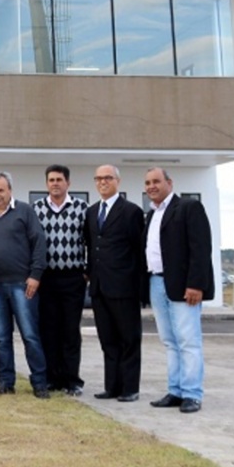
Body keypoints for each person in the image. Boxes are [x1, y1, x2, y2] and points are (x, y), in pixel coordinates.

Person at [143, 168, 214, 414]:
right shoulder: (151, 215)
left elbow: (201, 248)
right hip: (157, 283)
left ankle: (192, 394)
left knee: (188, 341)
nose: (151, 186)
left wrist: (196, 284)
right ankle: (175, 391)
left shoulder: (188, 208)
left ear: (169, 183)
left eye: (156, 181)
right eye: (148, 183)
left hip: (184, 286)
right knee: (170, 341)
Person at [0, 171, 50, 399]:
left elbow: (39, 243)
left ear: (10, 190)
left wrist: (35, 275)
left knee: (30, 335)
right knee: (2, 337)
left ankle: (39, 383)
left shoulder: (24, 211)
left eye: (1, 190)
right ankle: (5, 382)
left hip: (23, 285)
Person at [85, 164, 146, 403]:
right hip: (99, 287)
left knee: (129, 339)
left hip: (124, 286)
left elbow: (138, 251)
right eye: (98, 178)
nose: (103, 182)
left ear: (117, 181)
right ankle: (112, 386)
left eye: (107, 178)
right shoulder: (91, 213)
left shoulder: (130, 211)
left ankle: (130, 388)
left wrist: (140, 288)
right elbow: (91, 246)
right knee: (108, 340)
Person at [32, 165, 89, 396]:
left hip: (73, 278)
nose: (55, 183)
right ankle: (51, 378)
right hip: (46, 279)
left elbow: (91, 242)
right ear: (46, 184)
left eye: (59, 179)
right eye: (51, 180)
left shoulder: (81, 208)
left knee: (70, 331)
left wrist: (87, 272)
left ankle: (72, 380)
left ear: (68, 183)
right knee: (48, 330)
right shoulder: (36, 209)